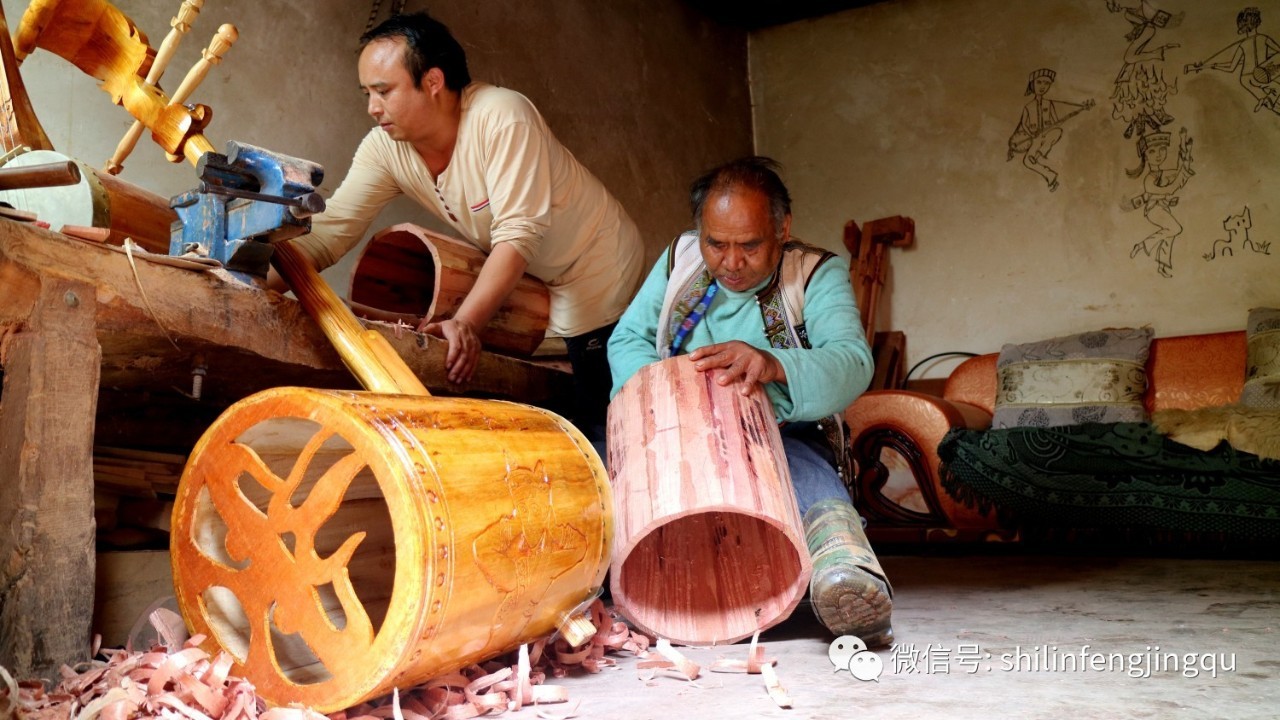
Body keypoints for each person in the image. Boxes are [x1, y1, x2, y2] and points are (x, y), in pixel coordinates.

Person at [282, 12, 644, 439]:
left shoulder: (501, 116)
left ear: (433, 81)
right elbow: (331, 232)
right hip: (530, 275)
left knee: (594, 410)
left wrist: (468, 324)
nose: (372, 108)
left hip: (592, 263)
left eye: (383, 91)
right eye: (366, 93)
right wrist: (254, 274)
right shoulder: (384, 148)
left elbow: (516, 234)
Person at [606, 156, 893, 645]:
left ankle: (844, 569)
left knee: (804, 471)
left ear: (783, 228)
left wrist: (773, 363)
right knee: (603, 468)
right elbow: (627, 339)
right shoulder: (681, 259)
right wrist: (675, 393)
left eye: (750, 245)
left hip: (779, 435)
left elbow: (852, 361)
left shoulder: (816, 273)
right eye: (716, 244)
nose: (731, 263)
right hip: (678, 434)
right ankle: (626, 583)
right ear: (700, 232)